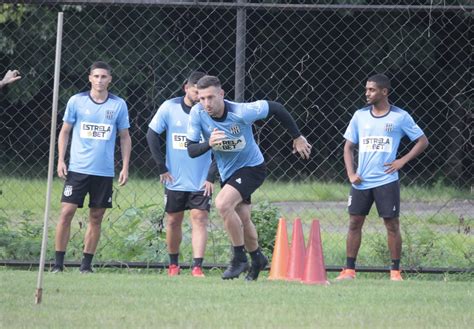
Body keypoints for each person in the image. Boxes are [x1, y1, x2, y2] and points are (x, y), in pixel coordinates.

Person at [187, 75, 312, 281]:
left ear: (221, 94)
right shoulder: (197, 113)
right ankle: (257, 258)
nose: (206, 103)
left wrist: (297, 137)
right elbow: (191, 150)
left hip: (252, 167)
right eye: (202, 98)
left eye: (210, 97)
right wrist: (209, 143)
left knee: (222, 204)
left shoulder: (241, 112)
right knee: (243, 219)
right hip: (228, 173)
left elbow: (277, 108)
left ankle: (239, 258)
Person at [337, 73, 429, 281]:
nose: (367, 93)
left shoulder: (400, 117)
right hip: (361, 182)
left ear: (384, 92)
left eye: (371, 89)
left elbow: (422, 141)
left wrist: (401, 161)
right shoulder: (360, 116)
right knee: (354, 223)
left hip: (387, 180)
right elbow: (348, 147)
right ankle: (349, 270)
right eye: (366, 89)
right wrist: (351, 173)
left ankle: (395, 272)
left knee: (392, 224)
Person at [51, 61, 132, 273]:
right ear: (90, 78)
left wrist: (125, 166)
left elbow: (124, 136)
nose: (100, 80)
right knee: (66, 212)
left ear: (110, 80)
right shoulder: (76, 101)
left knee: (96, 217)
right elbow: (65, 131)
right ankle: (58, 264)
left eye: (104, 77)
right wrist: (61, 159)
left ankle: (86, 266)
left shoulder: (118, 105)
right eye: (96, 76)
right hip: (78, 169)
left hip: (103, 171)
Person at [146, 71, 217, 278]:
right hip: (174, 178)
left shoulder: (209, 112)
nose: (200, 97)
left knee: (200, 218)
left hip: (201, 179)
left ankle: (197, 267)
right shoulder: (169, 107)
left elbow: (219, 146)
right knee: (173, 220)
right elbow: (152, 134)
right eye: (196, 92)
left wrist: (211, 175)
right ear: (186, 88)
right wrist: (161, 166)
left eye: (204, 93)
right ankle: (173, 265)